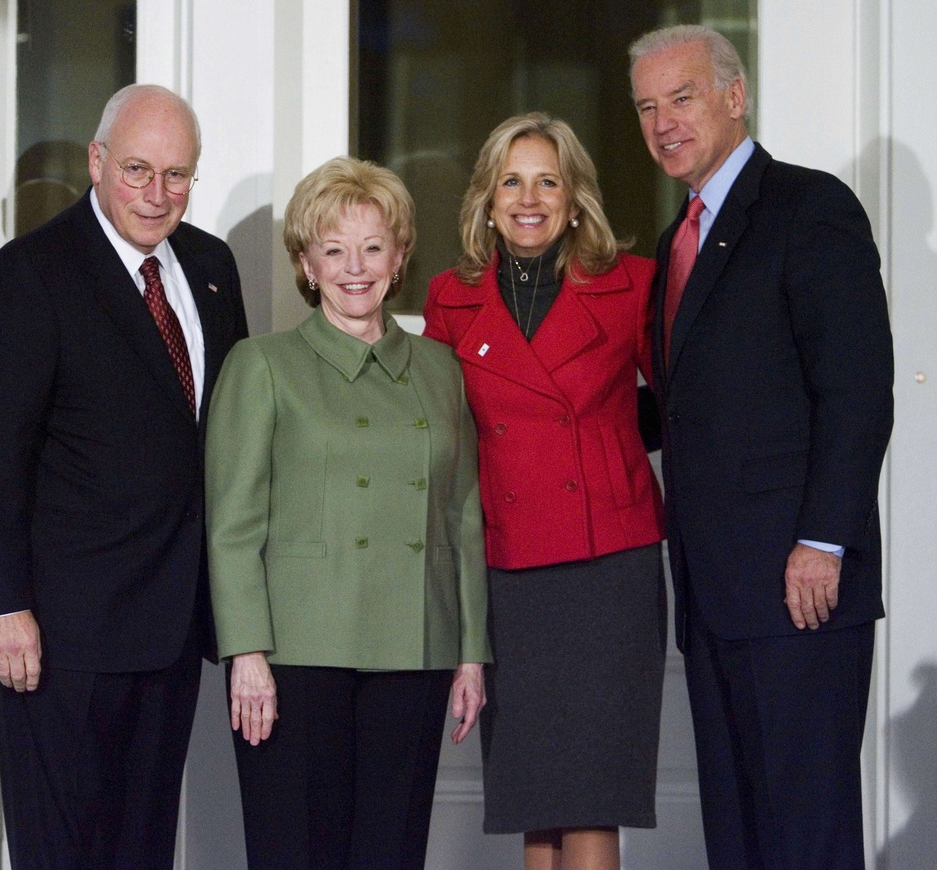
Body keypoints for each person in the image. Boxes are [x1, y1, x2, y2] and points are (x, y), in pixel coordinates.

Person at [0, 84, 248, 869]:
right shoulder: (30, 275)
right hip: (61, 637)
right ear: (97, 160)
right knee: (64, 853)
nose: (157, 195)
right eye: (138, 170)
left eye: (177, 175)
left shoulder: (212, 267)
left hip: (175, 626)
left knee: (142, 849)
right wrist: (1, 606)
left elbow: (228, 439)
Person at [629, 25, 895, 870]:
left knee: (804, 835)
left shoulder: (808, 207)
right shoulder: (679, 236)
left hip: (798, 593)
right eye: (646, 106)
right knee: (738, 836)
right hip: (714, 596)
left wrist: (822, 542)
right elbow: (685, 408)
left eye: (682, 97)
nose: (664, 121)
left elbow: (856, 393)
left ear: (734, 97)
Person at [204, 155, 491, 870]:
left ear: (398, 257)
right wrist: (246, 654)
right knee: (296, 853)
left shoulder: (439, 368)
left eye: (372, 247)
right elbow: (232, 526)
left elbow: (462, 515)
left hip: (414, 651)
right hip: (296, 660)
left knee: (392, 856)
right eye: (333, 250)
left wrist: (471, 653)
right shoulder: (262, 365)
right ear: (307, 261)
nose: (354, 267)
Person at [423, 112, 667, 870]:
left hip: (607, 569)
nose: (529, 198)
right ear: (488, 200)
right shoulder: (449, 299)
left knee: (592, 796)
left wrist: (612, 438)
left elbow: (685, 404)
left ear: (574, 196)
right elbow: (441, 432)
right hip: (508, 567)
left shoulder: (634, 284)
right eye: (512, 181)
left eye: (548, 181)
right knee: (535, 796)